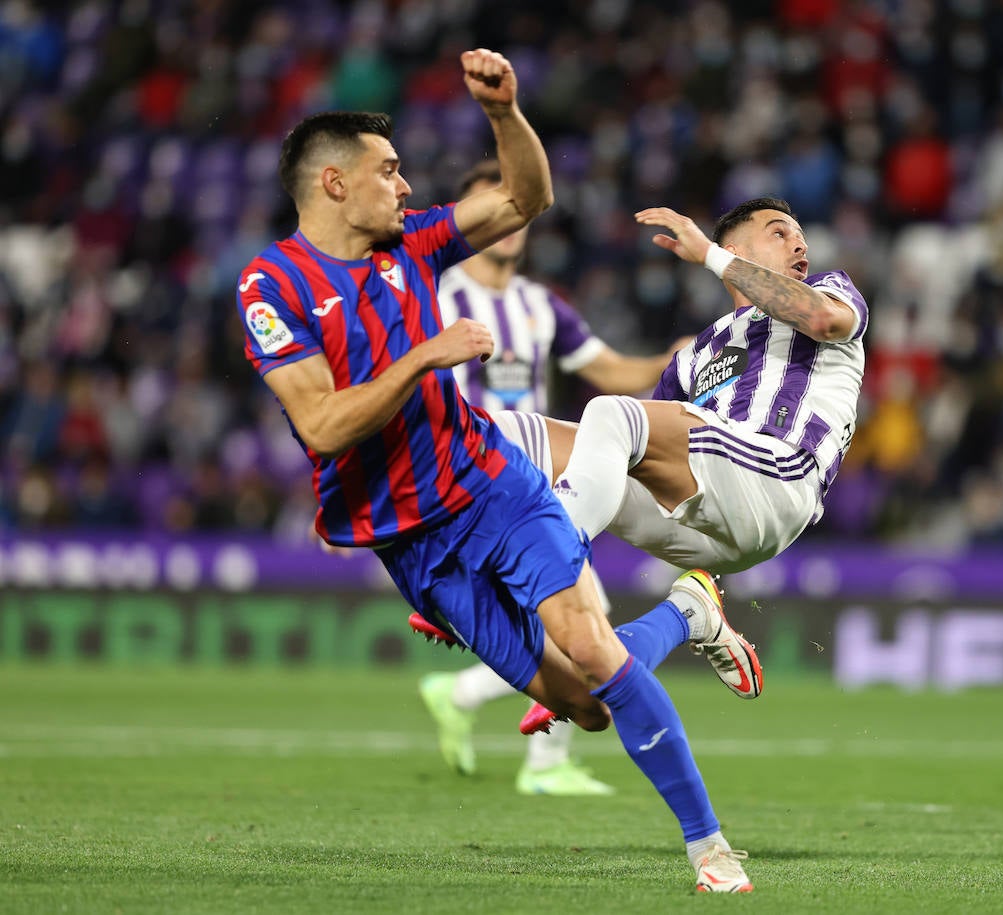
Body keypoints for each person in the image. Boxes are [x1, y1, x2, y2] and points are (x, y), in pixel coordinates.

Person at [235, 49, 755, 893]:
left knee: (591, 647)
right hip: (414, 543)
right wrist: (424, 356)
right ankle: (688, 609)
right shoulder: (273, 282)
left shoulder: (413, 242)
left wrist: (506, 113)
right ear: (333, 183)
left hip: (493, 484)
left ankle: (710, 849)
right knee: (585, 707)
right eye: (390, 172)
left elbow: (526, 198)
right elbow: (323, 427)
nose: (405, 188)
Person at [506, 196, 868, 735]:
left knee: (611, 413)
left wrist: (708, 257)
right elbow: (628, 451)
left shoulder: (831, 291)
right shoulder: (698, 352)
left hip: (776, 478)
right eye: (779, 232)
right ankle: (695, 612)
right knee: (513, 435)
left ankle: (546, 580)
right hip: (704, 521)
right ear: (736, 249)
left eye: (800, 236)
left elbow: (820, 317)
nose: (800, 243)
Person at [420, 159, 688, 797]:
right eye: (486, 205)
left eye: (510, 208)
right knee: (582, 616)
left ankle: (483, 712)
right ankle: (534, 754)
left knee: (578, 616)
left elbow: (611, 372)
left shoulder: (542, 307)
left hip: (538, 478)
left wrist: (668, 361)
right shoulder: (433, 297)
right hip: (469, 477)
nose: (505, 223)